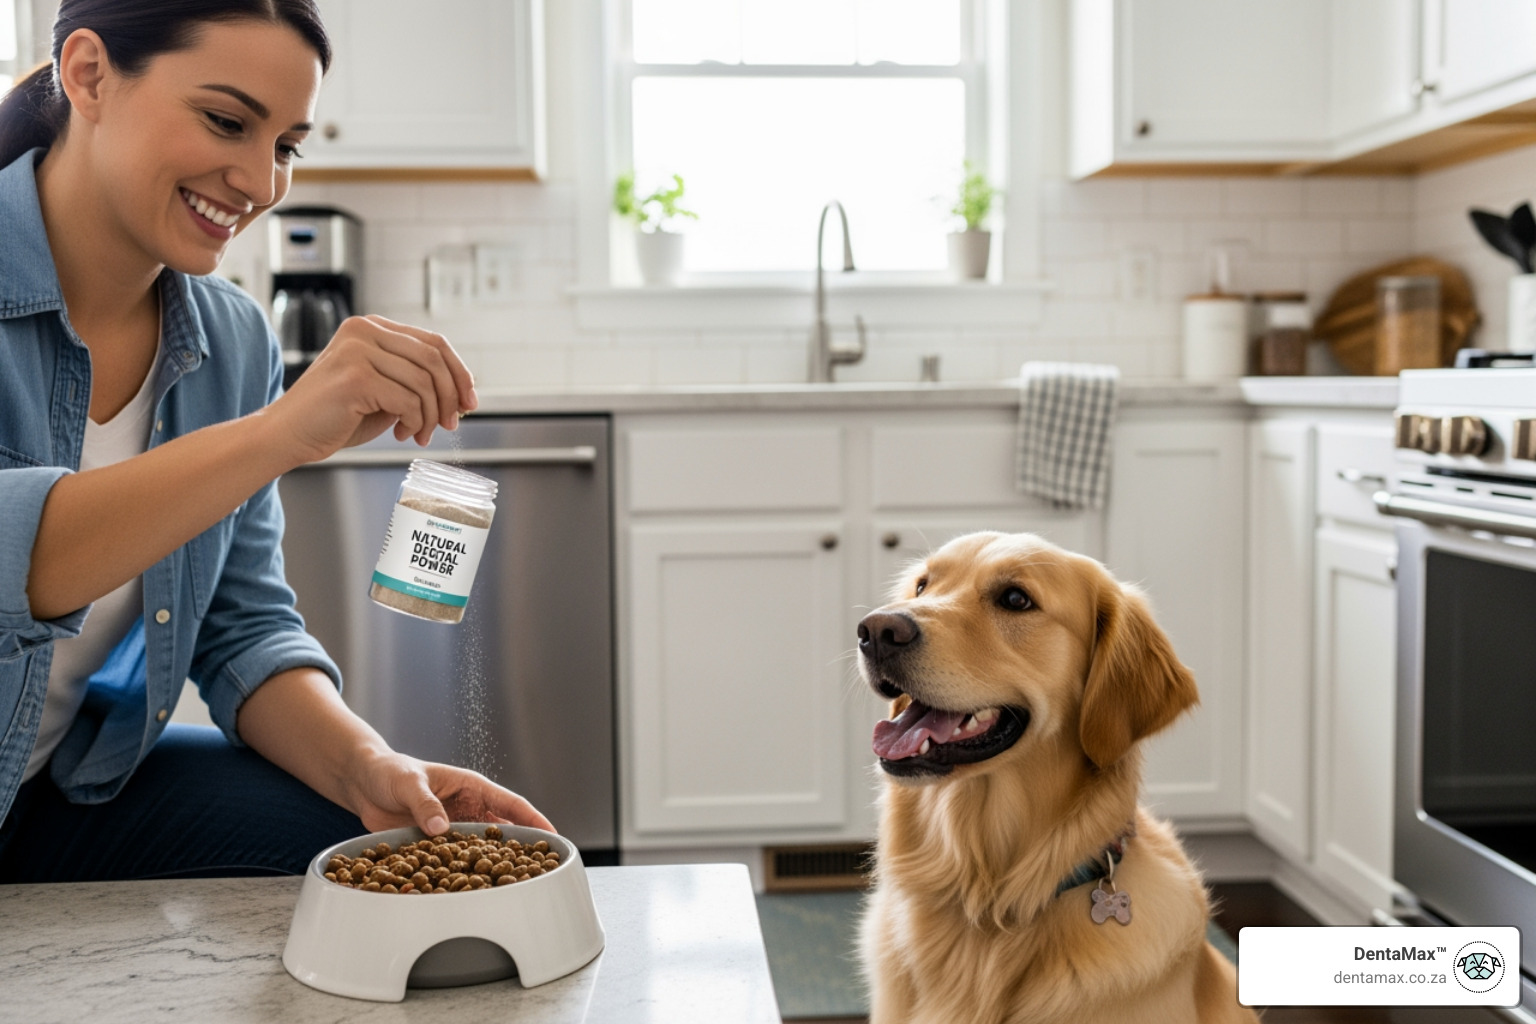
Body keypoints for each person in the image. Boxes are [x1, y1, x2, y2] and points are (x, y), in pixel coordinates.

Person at [0, 0, 553, 883]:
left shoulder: (234, 340)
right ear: (89, 74)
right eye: (226, 121)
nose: (260, 183)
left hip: (53, 788)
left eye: (286, 145)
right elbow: (18, 560)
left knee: (372, 845)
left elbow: (241, 630)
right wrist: (279, 433)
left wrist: (368, 766)